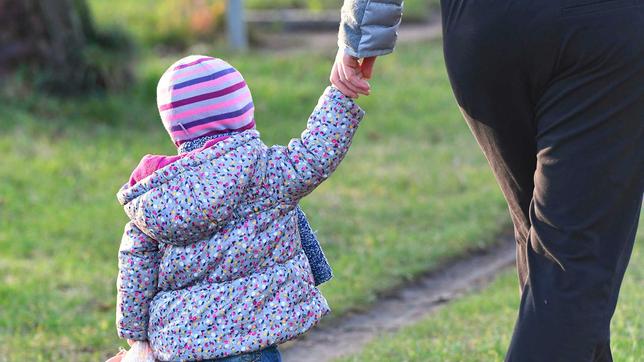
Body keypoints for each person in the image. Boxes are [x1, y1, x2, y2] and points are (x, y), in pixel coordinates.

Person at [331, 0, 643, 361]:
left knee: (551, 256)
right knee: (569, 266)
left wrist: (361, 34)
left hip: (485, 29)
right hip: (602, 29)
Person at [109, 55, 365, 361]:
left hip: (179, 346)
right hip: (252, 340)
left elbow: (134, 267)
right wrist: (341, 93)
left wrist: (136, 337)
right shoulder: (267, 171)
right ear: (245, 111)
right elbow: (316, 152)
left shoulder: (155, 193)